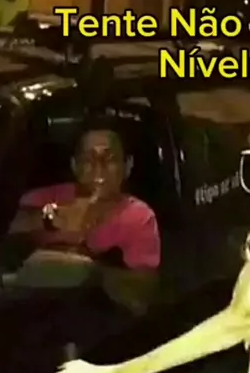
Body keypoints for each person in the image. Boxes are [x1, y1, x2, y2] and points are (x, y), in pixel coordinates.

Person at [11, 127, 161, 309]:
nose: (99, 167)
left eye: (110, 159)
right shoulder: (48, 197)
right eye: (89, 160)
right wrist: (52, 218)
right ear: (75, 166)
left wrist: (91, 271)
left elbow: (145, 289)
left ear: (127, 166)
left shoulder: (139, 217)